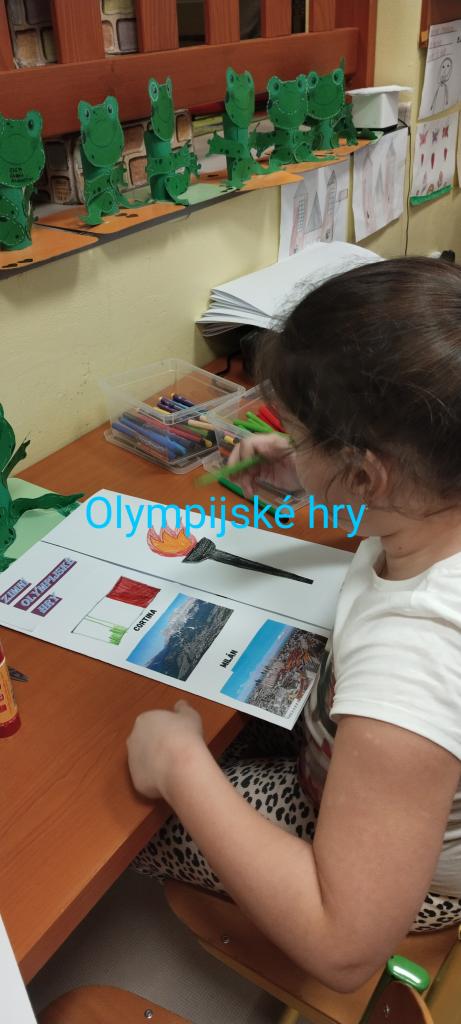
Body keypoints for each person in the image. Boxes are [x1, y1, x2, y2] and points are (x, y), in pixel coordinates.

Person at [127, 258, 461, 992]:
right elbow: (398, 507)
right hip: (382, 774)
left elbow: (344, 947)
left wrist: (181, 766)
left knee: (129, 823)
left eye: (299, 436)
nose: (287, 444)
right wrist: (308, 480)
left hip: (400, 887)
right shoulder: (434, 502)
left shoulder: (413, 657)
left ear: (365, 473)